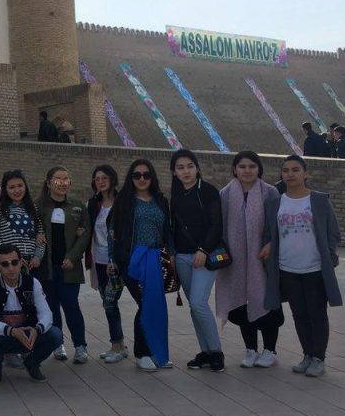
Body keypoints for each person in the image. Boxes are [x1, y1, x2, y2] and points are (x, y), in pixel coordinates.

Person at [261, 155, 342, 378]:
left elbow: (333, 232)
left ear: (305, 173)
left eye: (295, 170)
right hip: (288, 269)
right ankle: (307, 354)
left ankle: (319, 358)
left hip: (314, 269)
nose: (290, 174)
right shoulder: (275, 203)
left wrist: (330, 258)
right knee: (299, 315)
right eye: (286, 170)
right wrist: (269, 245)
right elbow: (270, 233)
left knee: (317, 314)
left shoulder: (319, 200)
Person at [216, 151, 282, 368]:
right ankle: (251, 349)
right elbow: (220, 225)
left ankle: (270, 350)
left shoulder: (270, 192)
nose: (247, 170)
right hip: (235, 261)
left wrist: (270, 244)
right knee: (241, 304)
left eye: (252, 166)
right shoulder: (225, 194)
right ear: (234, 169)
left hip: (262, 259)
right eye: (242, 166)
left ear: (259, 169)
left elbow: (277, 224)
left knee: (266, 302)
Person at [108, 159, 172, 372]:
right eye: (137, 175)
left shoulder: (160, 200)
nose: (142, 179)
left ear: (152, 177)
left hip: (156, 258)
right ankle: (142, 353)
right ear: (131, 178)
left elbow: (167, 230)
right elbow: (112, 231)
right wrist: (112, 259)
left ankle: (154, 350)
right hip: (132, 258)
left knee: (155, 304)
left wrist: (170, 252)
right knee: (145, 303)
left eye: (146, 175)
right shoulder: (124, 201)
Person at [169, 149, 226, 372]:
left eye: (190, 166)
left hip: (206, 256)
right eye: (180, 168)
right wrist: (172, 254)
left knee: (198, 302)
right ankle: (206, 352)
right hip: (182, 257)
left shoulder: (208, 191)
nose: (186, 171)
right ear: (174, 172)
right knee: (194, 307)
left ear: (197, 168)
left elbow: (216, 225)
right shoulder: (176, 193)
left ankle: (217, 352)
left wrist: (203, 249)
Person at [0, 244, 64, 384]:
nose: (11, 268)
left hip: (28, 335)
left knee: (56, 334)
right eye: (5, 264)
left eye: (14, 262)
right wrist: (12, 331)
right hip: (3, 336)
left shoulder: (33, 282)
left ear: (21, 262)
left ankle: (32, 363)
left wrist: (37, 329)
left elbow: (46, 313)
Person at [37, 166, 91, 364]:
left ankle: (80, 346)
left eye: (66, 179)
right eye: (57, 179)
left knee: (71, 304)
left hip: (69, 267)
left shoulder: (78, 206)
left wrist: (73, 257)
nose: (62, 183)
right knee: (51, 306)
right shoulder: (39, 206)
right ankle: (57, 343)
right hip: (46, 267)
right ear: (48, 183)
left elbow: (85, 233)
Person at [86, 165, 127, 363]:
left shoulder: (122, 203)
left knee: (110, 302)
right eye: (97, 179)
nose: (100, 182)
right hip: (99, 262)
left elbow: (125, 234)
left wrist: (117, 260)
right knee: (108, 303)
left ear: (112, 179)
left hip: (116, 263)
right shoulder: (93, 204)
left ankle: (116, 346)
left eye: (104, 178)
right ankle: (120, 345)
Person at [0, 169, 44, 271]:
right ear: (5, 189)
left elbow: (41, 236)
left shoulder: (34, 209)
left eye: (20, 186)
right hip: (10, 265)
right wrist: (11, 256)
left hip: (31, 265)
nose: (17, 190)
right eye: (12, 187)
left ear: (25, 186)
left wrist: (37, 256)